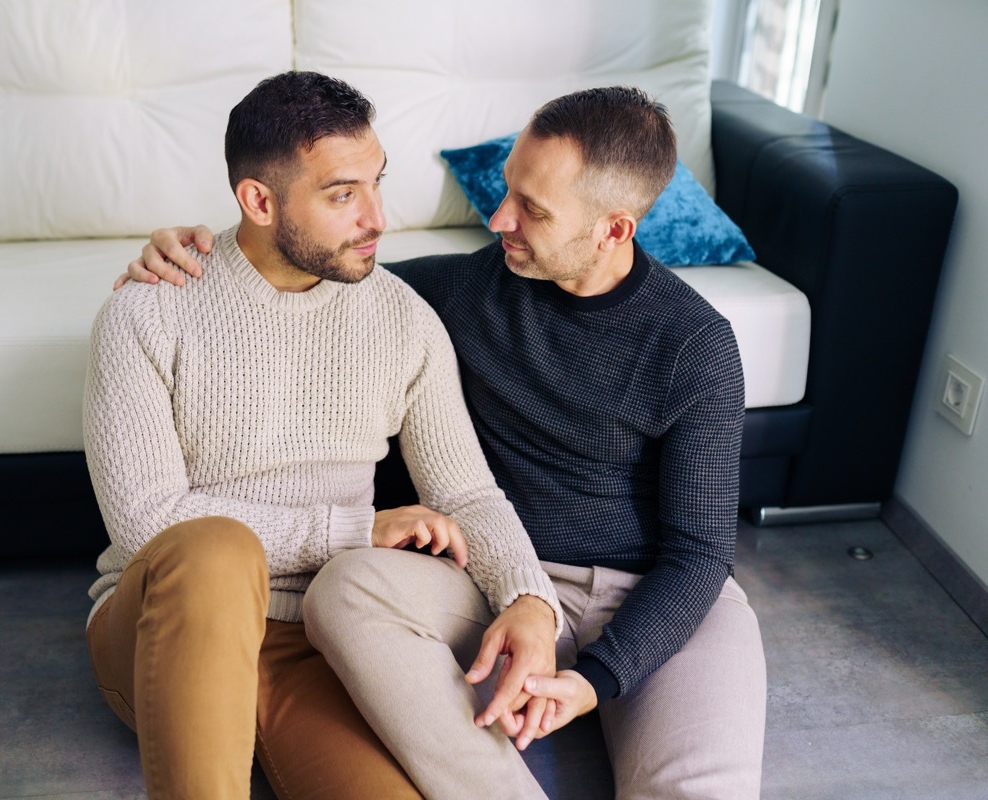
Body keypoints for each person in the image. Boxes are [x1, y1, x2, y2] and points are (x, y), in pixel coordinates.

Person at [123, 85, 767, 799]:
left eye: (533, 210)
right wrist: (185, 255)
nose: (499, 220)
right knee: (347, 589)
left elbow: (700, 556)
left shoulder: (695, 345)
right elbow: (305, 279)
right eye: (507, 191)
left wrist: (594, 680)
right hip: (485, 591)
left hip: (653, 595)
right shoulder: (451, 295)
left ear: (614, 230)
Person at [83, 70, 565, 800]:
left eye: (377, 182)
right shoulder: (148, 313)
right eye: (343, 194)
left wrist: (530, 598)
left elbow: (465, 491)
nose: (376, 217)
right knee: (218, 548)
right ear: (259, 201)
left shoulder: (404, 319)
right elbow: (147, 520)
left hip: (315, 640)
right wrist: (351, 532)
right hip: (168, 624)